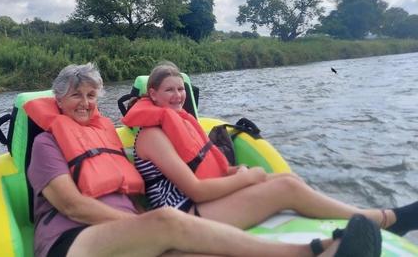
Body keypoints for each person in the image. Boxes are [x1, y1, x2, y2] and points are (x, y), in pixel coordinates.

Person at [27, 63, 382, 257]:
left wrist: (138, 219)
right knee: (167, 223)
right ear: (58, 100)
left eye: (91, 95)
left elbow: (130, 190)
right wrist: (141, 221)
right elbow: (73, 206)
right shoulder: (47, 144)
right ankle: (309, 253)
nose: (86, 103)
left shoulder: (104, 135)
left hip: (122, 234)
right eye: (76, 95)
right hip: (71, 242)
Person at [122, 61, 418, 239]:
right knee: (283, 189)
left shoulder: (179, 124)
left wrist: (234, 171)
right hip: (183, 215)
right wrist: (249, 177)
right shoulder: (151, 136)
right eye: (169, 90)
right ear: (152, 95)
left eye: (180, 89)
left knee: (287, 180)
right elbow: (196, 190)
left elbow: (202, 167)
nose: (178, 96)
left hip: (197, 203)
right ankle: (383, 220)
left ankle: (358, 219)